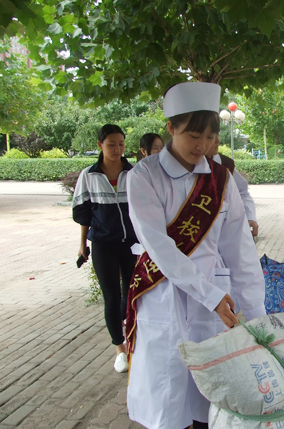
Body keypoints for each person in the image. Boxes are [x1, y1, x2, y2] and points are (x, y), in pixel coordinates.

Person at [125, 82, 266, 429]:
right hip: (164, 294)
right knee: (168, 400)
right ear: (171, 128)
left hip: (212, 301)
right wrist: (210, 295)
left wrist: (257, 317)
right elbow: (158, 246)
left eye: (210, 137)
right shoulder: (145, 176)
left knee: (211, 403)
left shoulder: (221, 180)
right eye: (193, 135)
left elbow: (240, 251)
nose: (202, 146)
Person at [72, 124, 137, 373]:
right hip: (102, 244)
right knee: (111, 296)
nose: (117, 149)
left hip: (132, 244)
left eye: (121, 144)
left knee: (131, 294)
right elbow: (84, 214)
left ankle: (134, 340)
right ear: (100, 145)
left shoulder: (134, 173)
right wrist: (82, 244)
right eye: (111, 144)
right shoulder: (88, 175)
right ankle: (119, 350)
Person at [206, 135, 259, 237]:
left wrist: (250, 216)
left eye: (217, 134)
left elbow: (242, 192)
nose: (217, 140)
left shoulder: (225, 165)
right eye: (210, 136)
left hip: (226, 233)